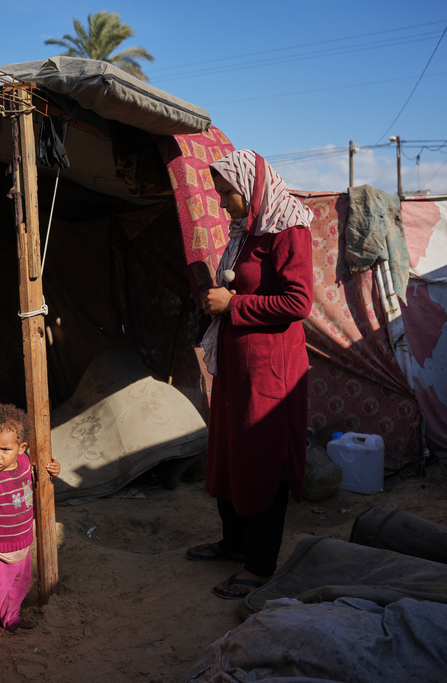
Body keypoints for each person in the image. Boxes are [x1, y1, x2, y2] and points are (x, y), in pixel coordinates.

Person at [187, 150, 314, 600]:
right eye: (219, 193)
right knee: (228, 451)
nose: (223, 203)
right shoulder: (246, 230)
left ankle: (259, 565)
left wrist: (233, 305)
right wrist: (216, 295)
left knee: (262, 456)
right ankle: (234, 543)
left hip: (268, 369)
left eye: (228, 192)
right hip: (235, 364)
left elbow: (298, 303)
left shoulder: (289, 229)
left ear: (254, 186)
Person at [0, 403, 60, 632]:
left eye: (5, 449)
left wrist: (54, 469)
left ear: (21, 448)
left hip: (22, 544)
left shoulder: (26, 464)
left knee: (19, 585)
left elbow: (43, 474)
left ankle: (11, 617)